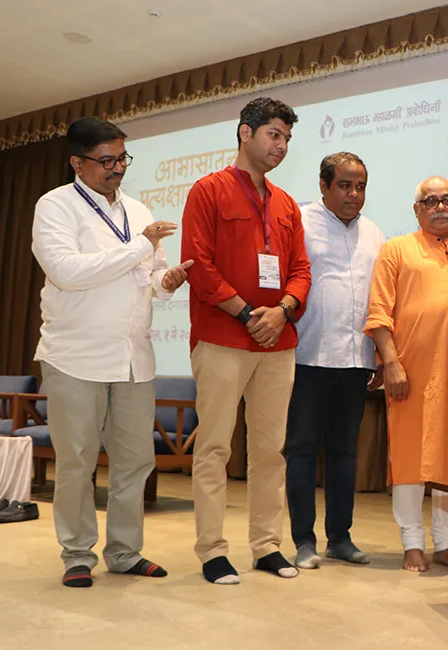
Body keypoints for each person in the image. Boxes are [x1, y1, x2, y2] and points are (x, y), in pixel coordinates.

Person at [31, 116, 192, 587]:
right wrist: (139, 247)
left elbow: (151, 274)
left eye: (122, 158)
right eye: (106, 160)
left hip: (133, 357)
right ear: (77, 162)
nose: (117, 168)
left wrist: (167, 280)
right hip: (74, 356)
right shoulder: (55, 206)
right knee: (77, 461)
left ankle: (124, 552)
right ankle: (77, 554)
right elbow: (67, 272)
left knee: (135, 460)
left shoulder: (138, 210)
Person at [181, 97, 312, 585]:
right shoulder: (208, 190)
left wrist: (282, 311)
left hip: (278, 341)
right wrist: (246, 313)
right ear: (245, 133)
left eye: (286, 139)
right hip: (222, 337)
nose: (281, 146)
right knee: (214, 447)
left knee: (270, 450)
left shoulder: (287, 204)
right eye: (274, 135)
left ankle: (267, 545)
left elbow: (301, 270)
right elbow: (199, 264)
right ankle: (213, 551)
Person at [366, 176, 448, 572]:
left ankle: (447, 543)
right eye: (431, 201)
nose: (440, 207)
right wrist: (391, 363)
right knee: (410, 456)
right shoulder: (396, 249)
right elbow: (379, 313)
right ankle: (412, 542)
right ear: (416, 210)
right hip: (411, 372)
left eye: (447, 199)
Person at [285, 152, 386, 568]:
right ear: (324, 186)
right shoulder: (299, 222)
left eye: (360, 186)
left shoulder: (374, 233)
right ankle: (303, 541)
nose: (354, 194)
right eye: (344, 185)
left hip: (356, 358)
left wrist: (381, 352)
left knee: (345, 452)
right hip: (308, 355)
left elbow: (381, 297)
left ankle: (340, 538)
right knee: (301, 449)